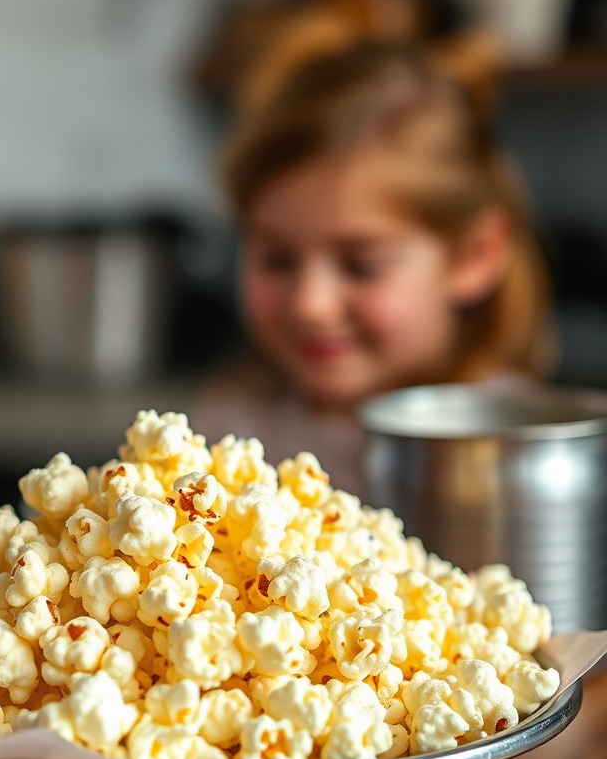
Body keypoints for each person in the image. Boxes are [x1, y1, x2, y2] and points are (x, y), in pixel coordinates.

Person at [194, 37, 556, 496]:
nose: (312, 305)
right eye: (277, 259)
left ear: (474, 257)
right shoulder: (229, 431)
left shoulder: (518, 445)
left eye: (362, 266)